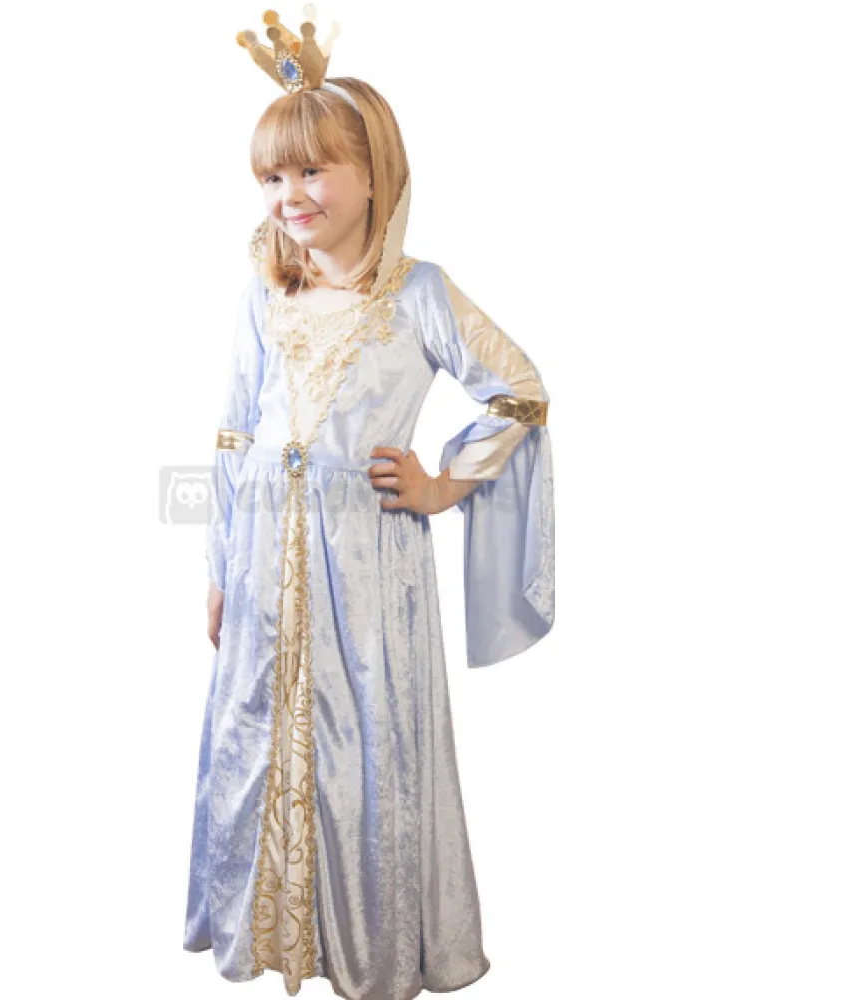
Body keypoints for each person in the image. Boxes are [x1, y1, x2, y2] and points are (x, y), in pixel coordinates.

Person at [184, 11, 555, 1000]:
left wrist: (441, 483)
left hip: (364, 567)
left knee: (365, 744)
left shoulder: (418, 293)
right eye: (272, 178)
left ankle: (371, 940)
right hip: (263, 560)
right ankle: (273, 927)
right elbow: (234, 434)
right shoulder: (264, 295)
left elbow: (518, 391)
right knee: (258, 727)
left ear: (374, 176)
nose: (290, 196)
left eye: (313, 171)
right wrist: (219, 567)